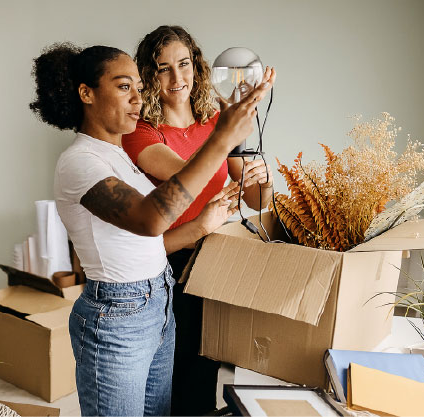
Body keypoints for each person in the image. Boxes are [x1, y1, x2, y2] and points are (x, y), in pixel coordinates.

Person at [29, 42, 273, 416]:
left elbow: (149, 244)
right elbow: (150, 218)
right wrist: (223, 138)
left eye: (139, 89)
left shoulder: (118, 158)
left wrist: (201, 224)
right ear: (86, 93)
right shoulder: (79, 162)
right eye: (124, 86)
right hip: (116, 318)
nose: (137, 99)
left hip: (159, 301)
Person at [123, 25, 277, 415]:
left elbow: (257, 200)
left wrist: (263, 177)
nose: (178, 79)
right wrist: (227, 135)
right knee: (171, 371)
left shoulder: (215, 123)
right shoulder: (142, 132)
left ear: (198, 65)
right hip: (171, 261)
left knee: (207, 364)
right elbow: (185, 176)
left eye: (184, 64)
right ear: (149, 76)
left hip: (216, 259)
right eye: (163, 69)